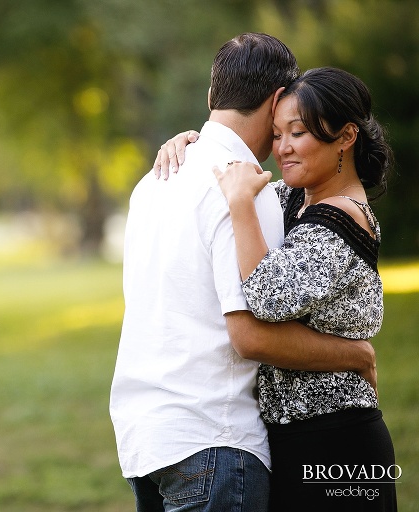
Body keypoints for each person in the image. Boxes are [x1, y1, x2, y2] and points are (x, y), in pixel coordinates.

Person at [109, 34, 378, 512]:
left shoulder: (154, 181)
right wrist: (356, 354)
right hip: (214, 437)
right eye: (284, 128)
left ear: (215, 94)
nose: (284, 145)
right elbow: (252, 335)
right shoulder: (247, 189)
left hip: (143, 439)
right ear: (277, 101)